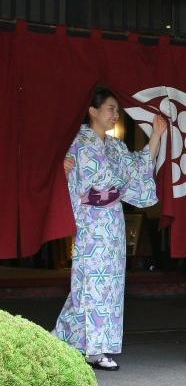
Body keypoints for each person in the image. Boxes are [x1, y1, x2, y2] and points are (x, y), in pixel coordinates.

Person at [56, 86, 166, 370]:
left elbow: (139, 167)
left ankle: (90, 346)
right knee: (88, 283)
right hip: (89, 221)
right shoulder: (76, 143)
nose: (115, 114)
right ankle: (87, 347)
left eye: (117, 110)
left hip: (113, 221)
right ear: (93, 111)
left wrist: (156, 135)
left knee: (110, 285)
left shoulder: (116, 147)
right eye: (110, 108)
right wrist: (62, 168)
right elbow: (56, 176)